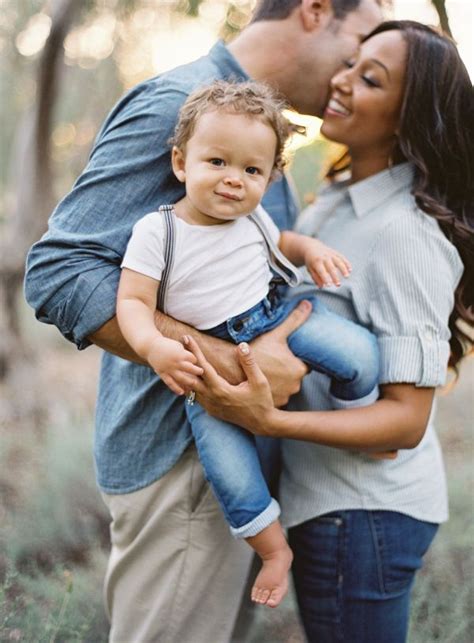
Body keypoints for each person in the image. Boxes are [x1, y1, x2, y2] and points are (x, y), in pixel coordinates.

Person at [24, 0, 383, 640]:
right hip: (184, 465)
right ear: (315, 11)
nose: (350, 73)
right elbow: (59, 270)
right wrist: (232, 365)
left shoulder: (261, 136)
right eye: (356, 45)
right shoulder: (179, 105)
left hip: (237, 468)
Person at [186, 20, 474, 642]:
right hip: (330, 503)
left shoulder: (406, 233)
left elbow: (404, 423)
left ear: (408, 116)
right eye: (351, 63)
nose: (342, 81)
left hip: (366, 515)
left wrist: (271, 420)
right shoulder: (334, 199)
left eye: (370, 79)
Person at [116, 79, 380, 608]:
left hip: (277, 315)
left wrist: (312, 250)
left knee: (360, 354)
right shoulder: (157, 231)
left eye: (252, 170)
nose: (234, 180)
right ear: (180, 163)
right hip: (209, 369)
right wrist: (152, 347)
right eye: (217, 162)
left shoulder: (252, 215)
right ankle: (274, 549)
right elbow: (132, 304)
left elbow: (283, 242)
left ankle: (358, 420)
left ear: (269, 177)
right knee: (233, 478)